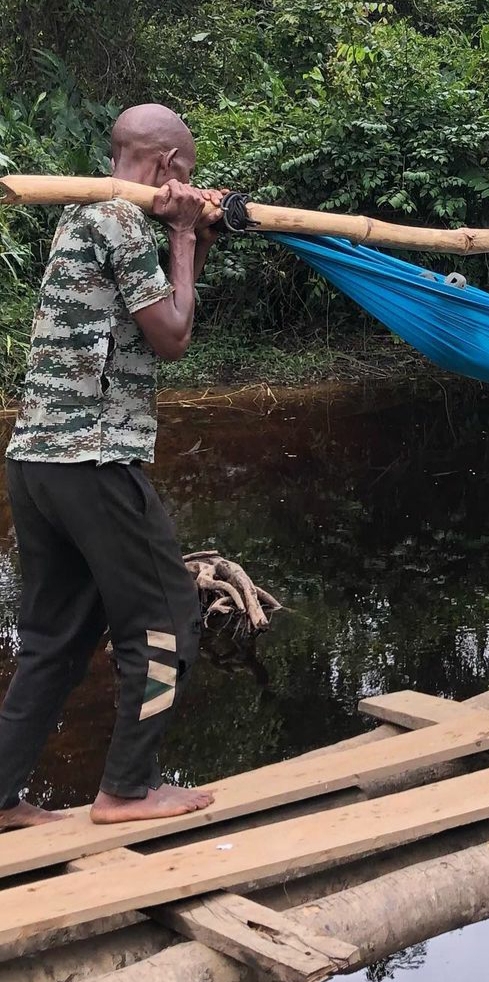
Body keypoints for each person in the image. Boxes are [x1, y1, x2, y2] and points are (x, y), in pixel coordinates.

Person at [0, 104, 225, 828]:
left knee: (55, 637)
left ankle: (0, 799)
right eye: (185, 174)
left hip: (37, 461)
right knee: (169, 616)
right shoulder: (126, 223)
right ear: (166, 167)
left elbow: (153, 300)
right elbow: (172, 336)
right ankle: (127, 789)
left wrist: (195, 235)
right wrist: (183, 235)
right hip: (93, 458)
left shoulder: (85, 214)